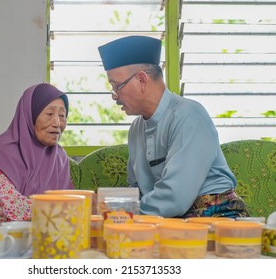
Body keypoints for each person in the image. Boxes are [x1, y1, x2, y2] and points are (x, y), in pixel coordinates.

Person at [98, 36, 249, 218]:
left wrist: (115, 210)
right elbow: (136, 191)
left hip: (218, 217)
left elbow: (175, 198)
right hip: (169, 219)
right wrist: (101, 204)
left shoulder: (189, 115)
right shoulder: (136, 129)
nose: (114, 96)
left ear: (141, 80)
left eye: (116, 86)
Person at [0, 83, 74, 223]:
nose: (57, 123)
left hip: (41, 238)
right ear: (30, 115)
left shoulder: (60, 158)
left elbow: (69, 202)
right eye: (49, 114)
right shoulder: (3, 152)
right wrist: (63, 210)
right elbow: (8, 208)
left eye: (62, 115)